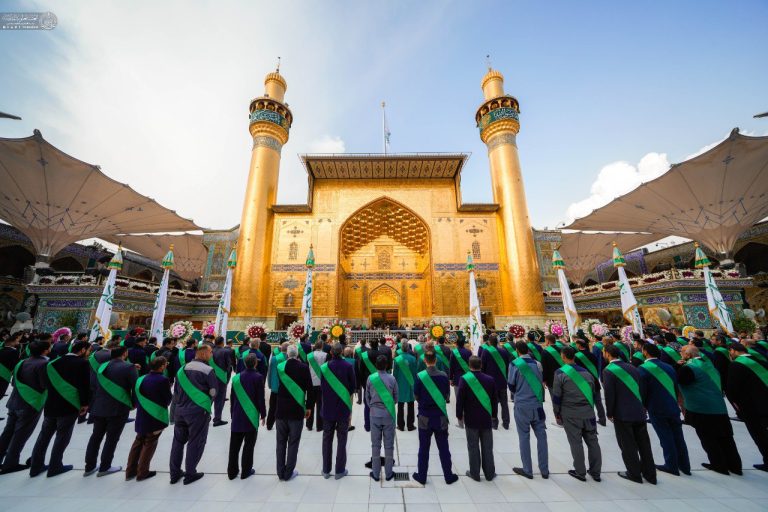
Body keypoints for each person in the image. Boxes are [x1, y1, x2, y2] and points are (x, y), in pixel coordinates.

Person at [29, 339, 91, 477]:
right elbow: (84, 385)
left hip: (51, 403)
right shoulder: (83, 363)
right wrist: (85, 403)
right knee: (62, 436)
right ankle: (55, 466)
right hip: (69, 404)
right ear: (82, 350)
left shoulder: (53, 362)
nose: (88, 353)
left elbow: (46, 383)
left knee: (44, 436)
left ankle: (35, 466)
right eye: (88, 350)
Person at [677, 345, 742, 475]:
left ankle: (719, 465)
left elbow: (680, 380)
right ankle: (735, 466)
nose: (680, 353)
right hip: (718, 405)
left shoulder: (689, 368)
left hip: (702, 407)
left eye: (682, 352)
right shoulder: (708, 364)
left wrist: (677, 366)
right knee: (726, 438)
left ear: (688, 355)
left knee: (708, 438)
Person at [602, 344, 656, 484]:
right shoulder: (632, 367)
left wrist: (609, 412)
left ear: (607, 354)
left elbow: (610, 394)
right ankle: (650, 474)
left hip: (622, 413)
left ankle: (634, 473)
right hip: (638, 410)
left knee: (627, 445)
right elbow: (642, 389)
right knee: (644, 445)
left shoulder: (609, 370)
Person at [84, 345, 137, 477]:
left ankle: (89, 466)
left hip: (99, 406)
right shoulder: (129, 367)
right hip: (118, 407)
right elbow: (135, 387)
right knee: (112, 438)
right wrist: (133, 403)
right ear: (125, 354)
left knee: (95, 437)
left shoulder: (101, 367)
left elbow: (93, 385)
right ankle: (105, 466)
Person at [638, 343, 690, 476]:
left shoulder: (643, 369)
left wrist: (643, 407)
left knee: (665, 437)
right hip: (672, 406)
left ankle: (671, 465)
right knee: (679, 437)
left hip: (656, 407)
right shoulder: (669, 367)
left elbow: (643, 391)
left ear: (645, 352)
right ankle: (685, 465)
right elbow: (675, 387)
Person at [0, 339, 50, 474]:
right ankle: (10, 463)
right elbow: (44, 384)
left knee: (7, 433)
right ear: (45, 350)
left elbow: (13, 382)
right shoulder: (44, 364)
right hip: (30, 403)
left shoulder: (22, 362)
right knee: (20, 435)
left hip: (14, 401)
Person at [170, 343, 217, 485]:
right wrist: (206, 404)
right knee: (196, 441)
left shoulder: (182, 369)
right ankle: (190, 473)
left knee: (178, 442)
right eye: (210, 352)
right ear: (204, 354)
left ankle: (174, 473)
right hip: (198, 412)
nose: (212, 354)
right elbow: (213, 392)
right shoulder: (208, 370)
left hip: (180, 410)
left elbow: (176, 392)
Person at [552, 346, 602, 482]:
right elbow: (593, 393)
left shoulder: (560, 373)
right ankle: (596, 472)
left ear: (563, 356)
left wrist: (556, 412)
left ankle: (580, 472)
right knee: (593, 442)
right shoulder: (587, 373)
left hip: (570, 413)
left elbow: (556, 396)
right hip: (588, 413)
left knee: (576, 442)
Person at [412, 351, 458, 485]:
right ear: (436, 360)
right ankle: (448, 476)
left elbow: (416, 396)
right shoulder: (443, 376)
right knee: (444, 447)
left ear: (425, 361)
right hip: (440, 416)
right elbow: (447, 396)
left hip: (424, 416)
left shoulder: (420, 376)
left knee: (423, 448)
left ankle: (422, 476)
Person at [126, 355, 172, 481]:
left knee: (138, 442)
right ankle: (142, 472)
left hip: (142, 415)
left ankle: (130, 471)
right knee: (150, 443)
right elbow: (168, 399)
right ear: (161, 367)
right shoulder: (163, 380)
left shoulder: (141, 378)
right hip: (155, 415)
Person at [508, 341, 548, 480]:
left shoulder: (514, 364)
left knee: (524, 437)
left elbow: (511, 385)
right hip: (537, 405)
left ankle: (527, 469)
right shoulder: (538, 364)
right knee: (542, 437)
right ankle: (544, 470)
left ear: (517, 351)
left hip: (522, 405)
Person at [725, 343, 768, 472]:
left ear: (733, 351)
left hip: (752, 406)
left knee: (760, 435)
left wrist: (736, 404)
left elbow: (732, 388)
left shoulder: (736, 365)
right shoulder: (761, 361)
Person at [275, 343, 313, 481]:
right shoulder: (304, 367)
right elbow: (310, 388)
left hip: (281, 409)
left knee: (280, 442)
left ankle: (280, 472)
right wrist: (309, 407)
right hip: (296, 409)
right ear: (297, 354)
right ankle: (288, 472)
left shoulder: (280, 367)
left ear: (287, 354)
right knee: (293, 442)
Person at [457, 355, 497, 481]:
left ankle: (474, 473)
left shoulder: (464, 379)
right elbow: (494, 400)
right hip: (486, 418)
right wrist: (494, 415)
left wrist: (459, 414)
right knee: (487, 447)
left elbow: (460, 399)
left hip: (471, 418)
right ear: (481, 365)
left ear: (469, 366)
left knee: (473, 446)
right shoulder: (490, 379)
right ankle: (489, 473)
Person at [320, 343, 356, 479]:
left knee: (326, 439)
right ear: (341, 352)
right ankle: (340, 470)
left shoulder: (324, 367)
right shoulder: (348, 366)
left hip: (328, 407)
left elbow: (322, 386)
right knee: (342, 439)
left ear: (331, 352)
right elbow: (353, 387)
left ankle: (326, 470)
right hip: (342, 408)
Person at [228, 353, 266, 480]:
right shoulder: (258, 377)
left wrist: (232, 413)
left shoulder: (236, 378)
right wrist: (263, 414)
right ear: (255, 363)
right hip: (251, 415)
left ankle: (232, 472)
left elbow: (233, 398)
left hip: (237, 414)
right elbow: (260, 398)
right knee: (249, 445)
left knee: (234, 446)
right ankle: (246, 471)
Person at [366, 354, 398, 481]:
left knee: (375, 445)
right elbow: (396, 398)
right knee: (389, 445)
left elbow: (367, 397)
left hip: (374, 414)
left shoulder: (370, 378)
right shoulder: (392, 378)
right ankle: (389, 473)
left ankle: (375, 473)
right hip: (388, 414)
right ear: (387, 366)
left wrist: (373, 406)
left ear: (376, 365)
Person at [573, 337, 607, 425]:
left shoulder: (576, 356)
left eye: (576, 344)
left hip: (583, 381)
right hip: (594, 380)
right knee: (598, 402)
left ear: (579, 345)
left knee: (587, 402)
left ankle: (590, 421)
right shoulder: (592, 355)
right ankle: (602, 419)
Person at [480, 334, 511, 429]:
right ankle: (506, 423)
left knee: (493, 402)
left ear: (489, 342)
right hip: (502, 380)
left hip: (490, 382)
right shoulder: (504, 351)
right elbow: (507, 366)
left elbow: (483, 367)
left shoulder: (486, 351)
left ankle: (494, 423)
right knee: (504, 403)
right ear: (497, 342)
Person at [393, 340, 417, 431]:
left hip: (400, 384)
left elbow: (395, 374)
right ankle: (410, 425)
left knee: (400, 406)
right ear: (408, 349)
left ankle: (400, 426)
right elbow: (415, 373)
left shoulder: (397, 359)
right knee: (411, 405)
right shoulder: (413, 359)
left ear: (401, 349)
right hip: (411, 384)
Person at [211, 336, 235, 427]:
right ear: (222, 342)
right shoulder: (225, 351)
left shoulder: (210, 350)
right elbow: (229, 365)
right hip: (221, 378)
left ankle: (206, 416)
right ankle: (217, 419)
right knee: (219, 399)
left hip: (210, 377)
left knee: (210, 397)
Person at [306, 339, 328, 431]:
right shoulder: (326, 355)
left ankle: (309, 425)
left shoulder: (309, 355)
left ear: (315, 345)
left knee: (310, 404)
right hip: (321, 382)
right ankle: (320, 426)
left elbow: (307, 368)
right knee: (320, 405)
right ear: (322, 346)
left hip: (311, 382)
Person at [449, 337, 472, 420]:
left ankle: (460, 419)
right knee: (467, 398)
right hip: (468, 377)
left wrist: (450, 378)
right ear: (464, 344)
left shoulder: (454, 352)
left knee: (459, 399)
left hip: (457, 378)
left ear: (456, 344)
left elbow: (451, 366)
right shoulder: (469, 352)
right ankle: (468, 416)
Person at [266, 342, 287, 430]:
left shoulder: (274, 359)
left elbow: (269, 372)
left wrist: (269, 384)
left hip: (275, 387)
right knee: (285, 408)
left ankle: (269, 425)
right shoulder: (289, 359)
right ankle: (283, 426)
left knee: (272, 407)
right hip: (286, 388)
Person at [0, 332, 22, 417]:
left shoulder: (1, 350)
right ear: (12, 342)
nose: (18, 342)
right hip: (5, 376)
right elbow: (15, 365)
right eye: (16, 341)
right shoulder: (14, 352)